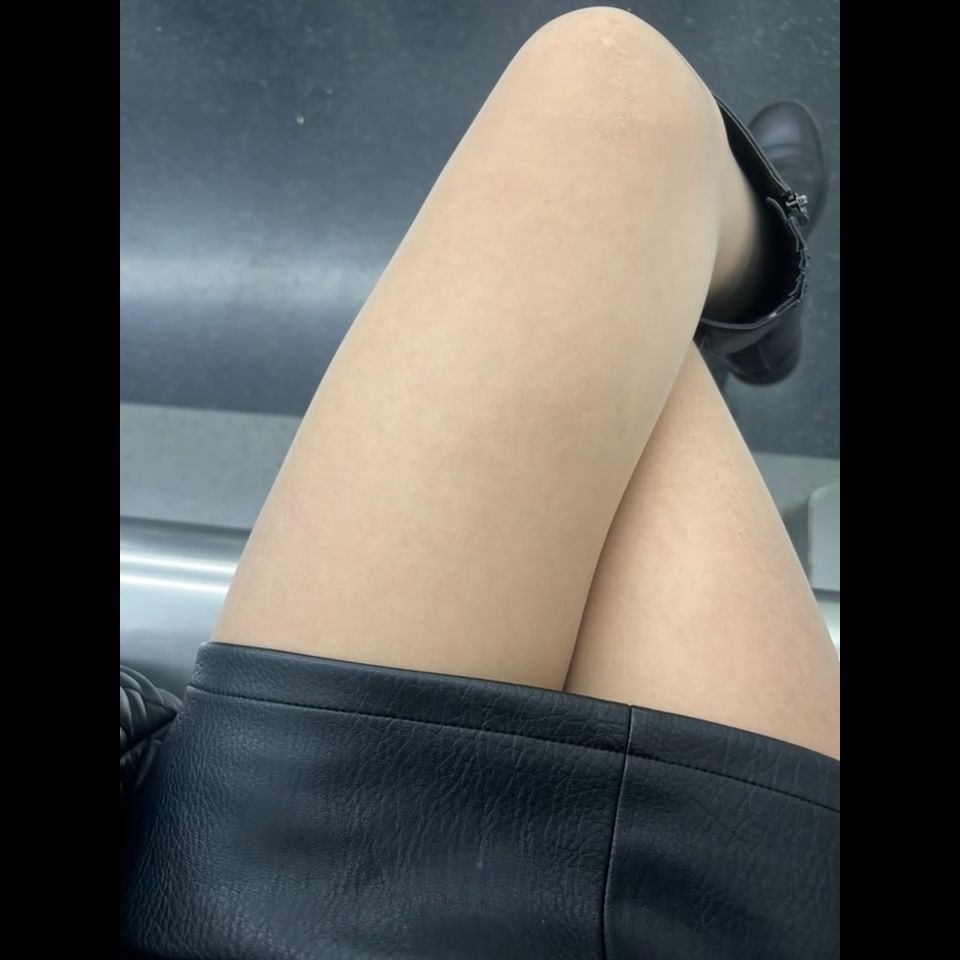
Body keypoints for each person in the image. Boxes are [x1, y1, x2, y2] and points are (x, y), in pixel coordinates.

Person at [120, 8, 840, 958]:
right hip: (278, 910)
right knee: (612, 104)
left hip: (235, 859)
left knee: (613, 183)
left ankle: (697, 307)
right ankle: (744, 305)